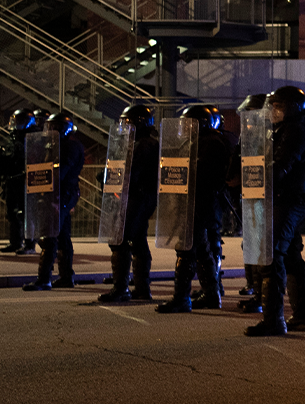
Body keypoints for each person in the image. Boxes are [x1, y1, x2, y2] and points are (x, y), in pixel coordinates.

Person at [246, 86, 305, 336]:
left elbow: (282, 164)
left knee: (271, 255)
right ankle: (301, 316)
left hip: (289, 199)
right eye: (272, 106)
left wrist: (258, 176)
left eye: (279, 107)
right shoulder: (281, 130)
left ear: (293, 108)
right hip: (280, 198)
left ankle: (274, 320)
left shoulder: (298, 130)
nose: (273, 111)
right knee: (290, 257)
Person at [158, 105, 232, 313]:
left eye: (189, 123)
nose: (184, 127)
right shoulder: (194, 143)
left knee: (186, 249)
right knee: (200, 250)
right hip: (191, 203)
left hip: (201, 204)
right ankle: (211, 294)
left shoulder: (211, 144)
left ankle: (182, 298)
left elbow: (208, 177)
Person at [99, 105, 159, 303]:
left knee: (120, 239)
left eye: (128, 122)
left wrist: (113, 179)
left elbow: (133, 172)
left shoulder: (144, 145)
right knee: (138, 240)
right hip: (138, 197)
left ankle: (121, 288)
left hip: (138, 196)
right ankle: (142, 288)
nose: (124, 126)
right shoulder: (138, 143)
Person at [24, 113, 85, 291]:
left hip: (62, 193)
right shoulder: (55, 145)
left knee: (48, 234)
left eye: (52, 127)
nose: (48, 130)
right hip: (57, 192)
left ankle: (44, 279)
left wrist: (44, 179)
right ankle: (66, 277)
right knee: (62, 234)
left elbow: (61, 171)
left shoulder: (70, 146)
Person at [235, 93, 267, 311]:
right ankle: (253, 286)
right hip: (248, 193)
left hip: (264, 197)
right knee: (249, 242)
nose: (247, 118)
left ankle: (261, 292)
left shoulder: (269, 135)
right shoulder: (245, 137)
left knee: (260, 244)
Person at [0, 110, 37, 255]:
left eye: (18, 121)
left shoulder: (34, 138)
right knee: (12, 213)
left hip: (24, 180)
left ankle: (30, 243)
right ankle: (15, 242)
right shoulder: (13, 137)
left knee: (26, 214)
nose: (15, 125)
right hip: (12, 179)